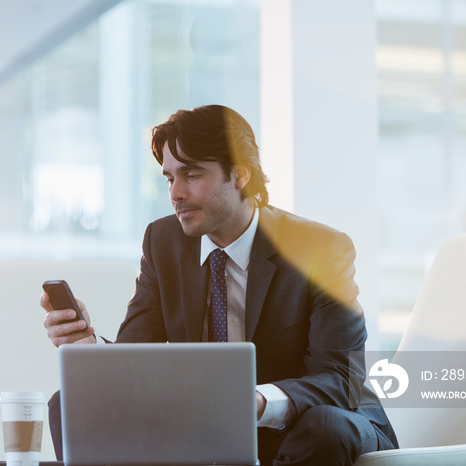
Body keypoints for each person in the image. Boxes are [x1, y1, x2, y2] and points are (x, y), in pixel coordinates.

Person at [41, 104, 398, 465]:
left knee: (325, 425)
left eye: (192, 174)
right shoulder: (162, 242)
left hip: (308, 428)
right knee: (69, 402)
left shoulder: (319, 248)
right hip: (206, 433)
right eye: (169, 178)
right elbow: (137, 359)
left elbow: (341, 377)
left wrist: (255, 402)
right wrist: (87, 347)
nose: (176, 193)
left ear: (240, 175)